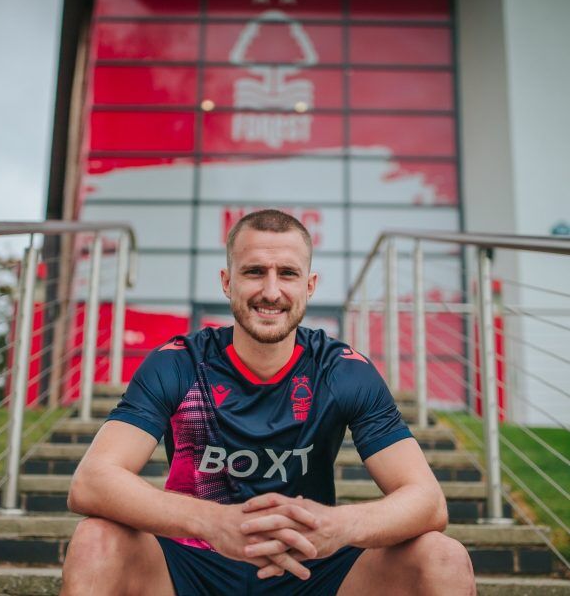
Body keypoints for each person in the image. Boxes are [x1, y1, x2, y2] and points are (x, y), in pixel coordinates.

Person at [61, 209, 475, 595]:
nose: (271, 291)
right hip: (192, 562)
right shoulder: (180, 363)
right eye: (255, 272)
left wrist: (340, 525)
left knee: (442, 556)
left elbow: (427, 501)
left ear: (309, 286)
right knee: (95, 539)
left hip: (308, 568)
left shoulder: (342, 371)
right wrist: (213, 521)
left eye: (288, 273)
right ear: (227, 281)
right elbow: (91, 481)